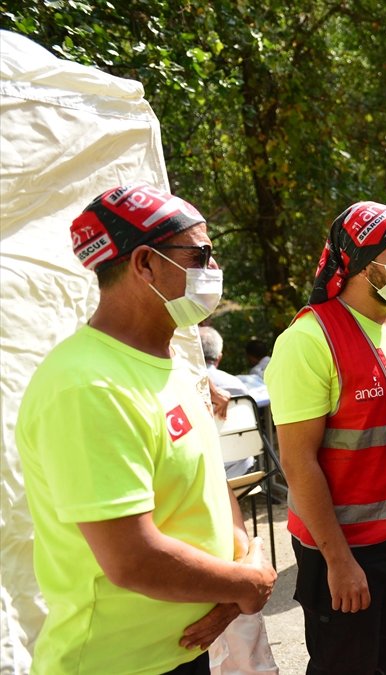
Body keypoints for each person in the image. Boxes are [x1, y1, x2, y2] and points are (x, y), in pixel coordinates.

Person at [15, 183, 276, 674]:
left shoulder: (171, 361)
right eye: (201, 254)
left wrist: (238, 580)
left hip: (181, 650)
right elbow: (133, 558)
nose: (213, 270)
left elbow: (211, 487)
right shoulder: (89, 386)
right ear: (144, 264)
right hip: (117, 664)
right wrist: (246, 585)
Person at [265, 200, 386, 675]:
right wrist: (338, 560)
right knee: (345, 664)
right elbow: (299, 462)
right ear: (360, 262)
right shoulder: (309, 340)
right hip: (347, 548)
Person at [199, 325, 256, 478]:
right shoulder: (237, 384)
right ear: (219, 357)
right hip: (241, 468)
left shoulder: (182, 385)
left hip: (204, 472)